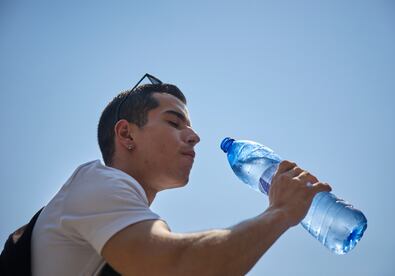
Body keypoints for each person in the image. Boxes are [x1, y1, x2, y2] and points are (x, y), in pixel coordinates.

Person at [31, 74, 331, 276]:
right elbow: (179, 266)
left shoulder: (120, 224)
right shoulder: (98, 181)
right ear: (126, 134)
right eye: (175, 123)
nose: (194, 136)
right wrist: (280, 213)